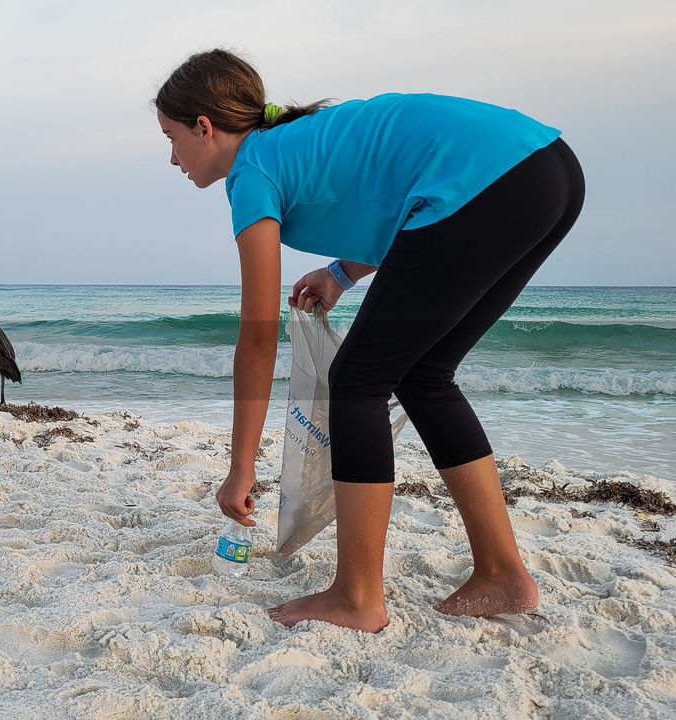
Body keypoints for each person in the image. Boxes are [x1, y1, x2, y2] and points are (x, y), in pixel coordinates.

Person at [155, 49, 585, 632]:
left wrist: (239, 467)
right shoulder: (298, 141)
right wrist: (340, 273)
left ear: (205, 128)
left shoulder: (252, 171)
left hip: (491, 179)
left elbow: (257, 337)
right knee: (423, 375)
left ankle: (358, 596)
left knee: (355, 382)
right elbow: (398, 198)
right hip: (547, 169)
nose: (173, 157)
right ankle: (503, 575)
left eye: (172, 137)